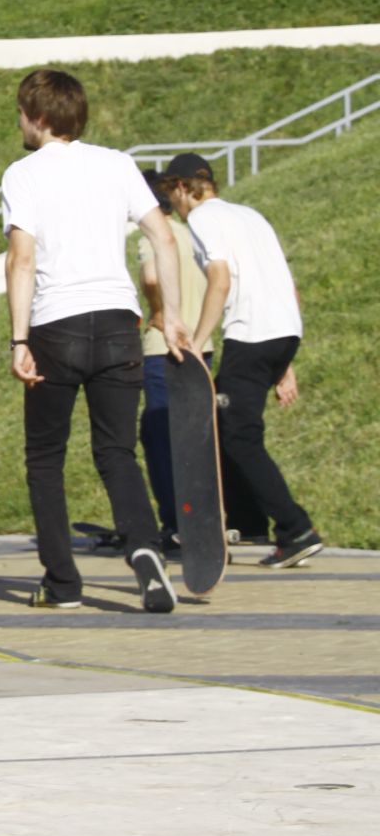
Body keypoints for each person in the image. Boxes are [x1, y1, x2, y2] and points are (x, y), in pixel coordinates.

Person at [3, 69, 189, 614]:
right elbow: (163, 235)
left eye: (20, 113)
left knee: (45, 459)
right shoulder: (117, 164)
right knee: (116, 452)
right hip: (117, 325)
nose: (18, 122)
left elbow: (22, 259)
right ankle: (146, 550)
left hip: (55, 325)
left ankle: (62, 585)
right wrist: (172, 315)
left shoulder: (24, 173)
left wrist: (19, 339)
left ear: (37, 118)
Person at [160, 153, 321, 570]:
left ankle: (294, 528)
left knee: (237, 435)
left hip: (251, 336)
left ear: (181, 187)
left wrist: (197, 342)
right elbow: (285, 284)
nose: (174, 206)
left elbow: (221, 279)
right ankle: (249, 521)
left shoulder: (203, 220)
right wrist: (284, 363)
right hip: (284, 331)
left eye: (171, 195)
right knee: (230, 426)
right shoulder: (251, 215)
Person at [138, 174, 213, 544]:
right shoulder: (190, 233)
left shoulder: (155, 234)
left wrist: (159, 313)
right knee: (196, 437)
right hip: (203, 346)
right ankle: (206, 515)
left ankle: (175, 522)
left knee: (159, 435)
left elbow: (152, 278)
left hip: (163, 350)